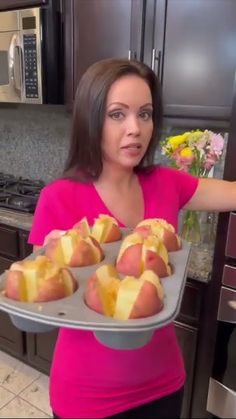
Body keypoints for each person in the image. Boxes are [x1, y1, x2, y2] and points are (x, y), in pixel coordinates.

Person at [28, 58, 236, 419]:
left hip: (162, 384)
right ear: (91, 119)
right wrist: (52, 253)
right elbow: (41, 300)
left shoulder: (166, 182)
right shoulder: (59, 197)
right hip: (86, 396)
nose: (135, 129)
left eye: (145, 114)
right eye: (117, 114)